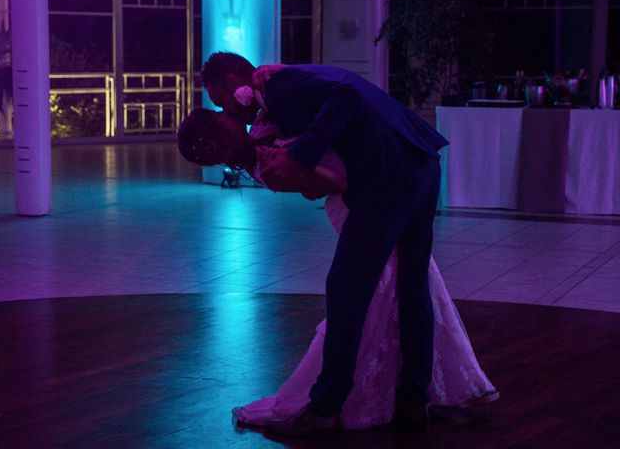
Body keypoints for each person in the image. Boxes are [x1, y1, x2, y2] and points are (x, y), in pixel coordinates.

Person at [178, 108, 498, 433]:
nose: (227, 111)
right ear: (220, 131)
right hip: (357, 206)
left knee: (405, 290)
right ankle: (394, 394)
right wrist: (303, 152)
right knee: (378, 294)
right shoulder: (266, 164)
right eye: (219, 115)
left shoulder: (264, 132)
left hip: (375, 202)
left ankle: (410, 393)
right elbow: (330, 183)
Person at [199, 52, 450, 436]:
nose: (229, 112)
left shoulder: (280, 86)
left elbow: (345, 98)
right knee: (411, 286)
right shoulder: (281, 89)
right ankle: (414, 400)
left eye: (222, 101)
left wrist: (300, 155)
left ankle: (326, 407)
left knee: (347, 288)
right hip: (419, 161)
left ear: (235, 84)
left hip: (389, 174)